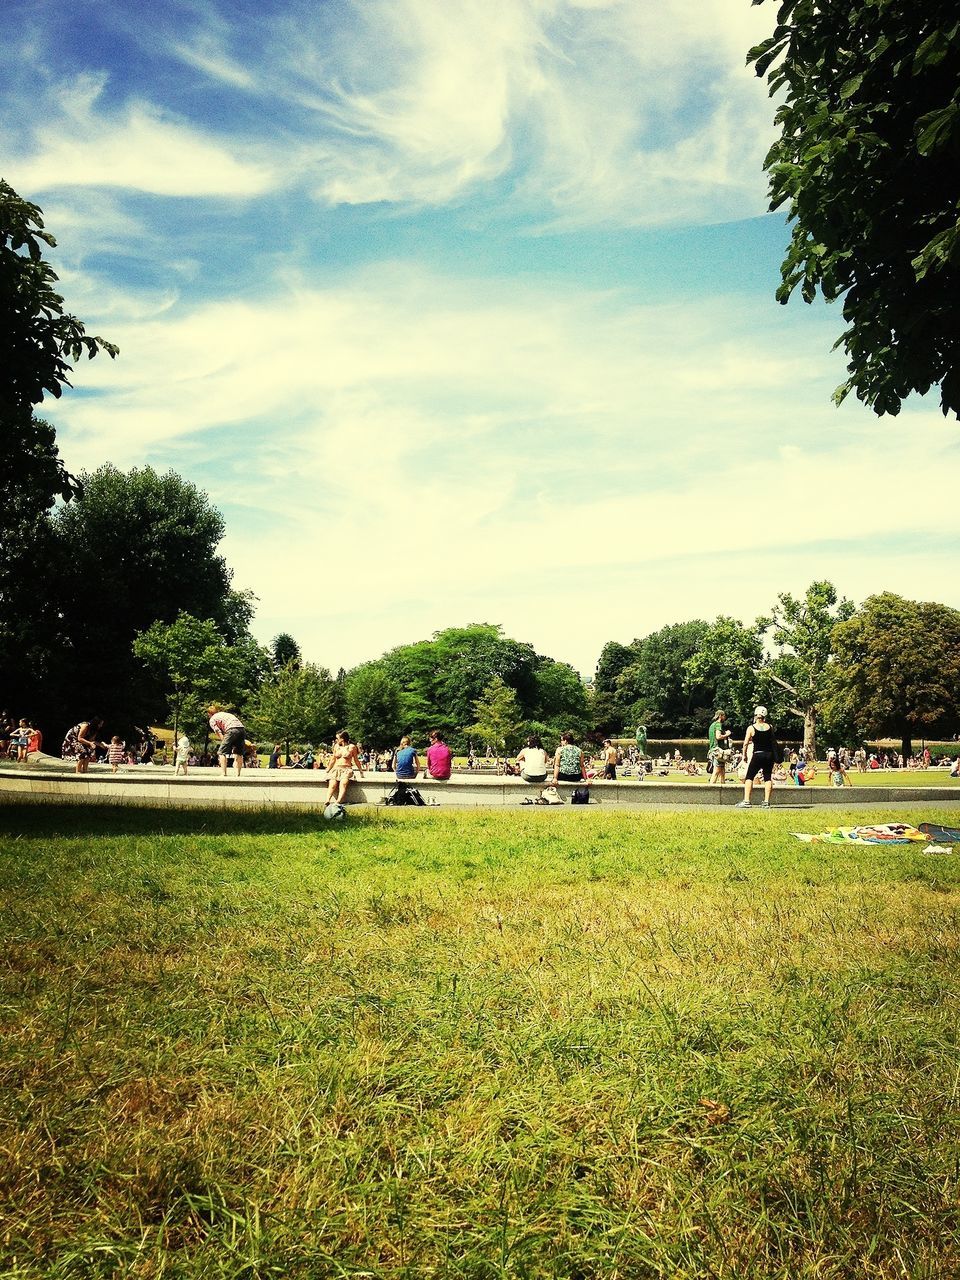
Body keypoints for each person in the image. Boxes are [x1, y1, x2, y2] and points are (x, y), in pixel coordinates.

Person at [736, 706, 779, 809]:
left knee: (749, 776)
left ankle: (747, 801)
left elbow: (746, 743)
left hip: (758, 754)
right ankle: (766, 802)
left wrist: (744, 755)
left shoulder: (751, 728)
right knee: (767, 777)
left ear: (755, 715)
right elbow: (773, 741)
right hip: (769, 755)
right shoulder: (770, 727)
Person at [325, 730, 364, 805]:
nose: (336, 740)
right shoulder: (336, 746)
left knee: (343, 783)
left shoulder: (352, 747)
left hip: (346, 769)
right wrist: (328, 769)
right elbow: (333, 759)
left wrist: (361, 771)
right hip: (336, 769)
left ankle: (338, 801)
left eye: (338, 738)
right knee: (332, 784)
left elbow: (356, 760)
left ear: (342, 739)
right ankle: (327, 800)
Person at [207, 704, 248, 778]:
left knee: (221, 752)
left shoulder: (212, 719)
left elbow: (218, 731)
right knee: (239, 753)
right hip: (242, 729)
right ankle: (238, 774)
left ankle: (223, 773)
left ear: (209, 714)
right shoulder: (224, 714)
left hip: (231, 729)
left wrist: (224, 741)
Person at [707, 710, 732, 786]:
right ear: (720, 716)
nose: (725, 717)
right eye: (724, 716)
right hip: (718, 751)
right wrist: (727, 734)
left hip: (713, 750)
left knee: (722, 771)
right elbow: (718, 736)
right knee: (717, 771)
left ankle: (723, 788)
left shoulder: (712, 725)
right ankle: (711, 790)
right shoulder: (718, 724)